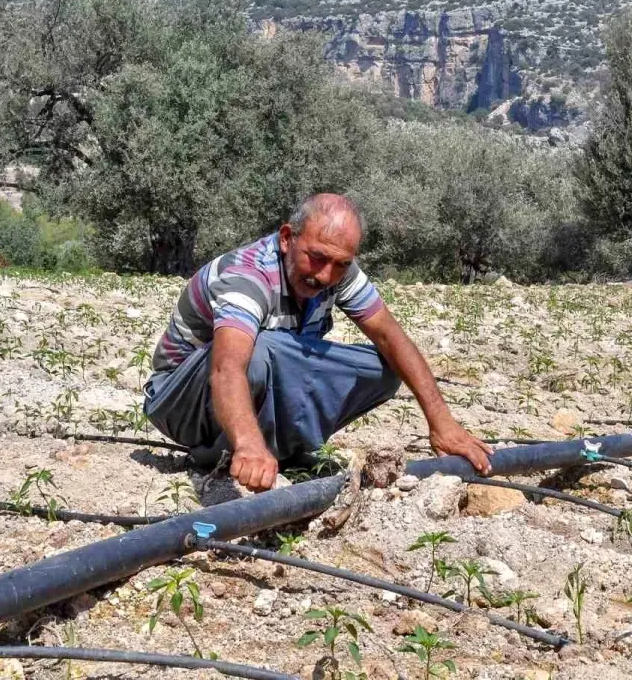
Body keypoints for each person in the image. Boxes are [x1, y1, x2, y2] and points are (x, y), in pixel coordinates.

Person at [142, 192, 493, 491]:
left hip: (257, 376)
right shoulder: (247, 277)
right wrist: (248, 445)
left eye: (340, 264)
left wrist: (441, 422)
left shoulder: (337, 271)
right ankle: (226, 451)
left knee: (384, 369)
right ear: (286, 239)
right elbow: (227, 368)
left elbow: (390, 336)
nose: (324, 275)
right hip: (180, 399)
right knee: (264, 351)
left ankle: (283, 450)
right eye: (317, 258)